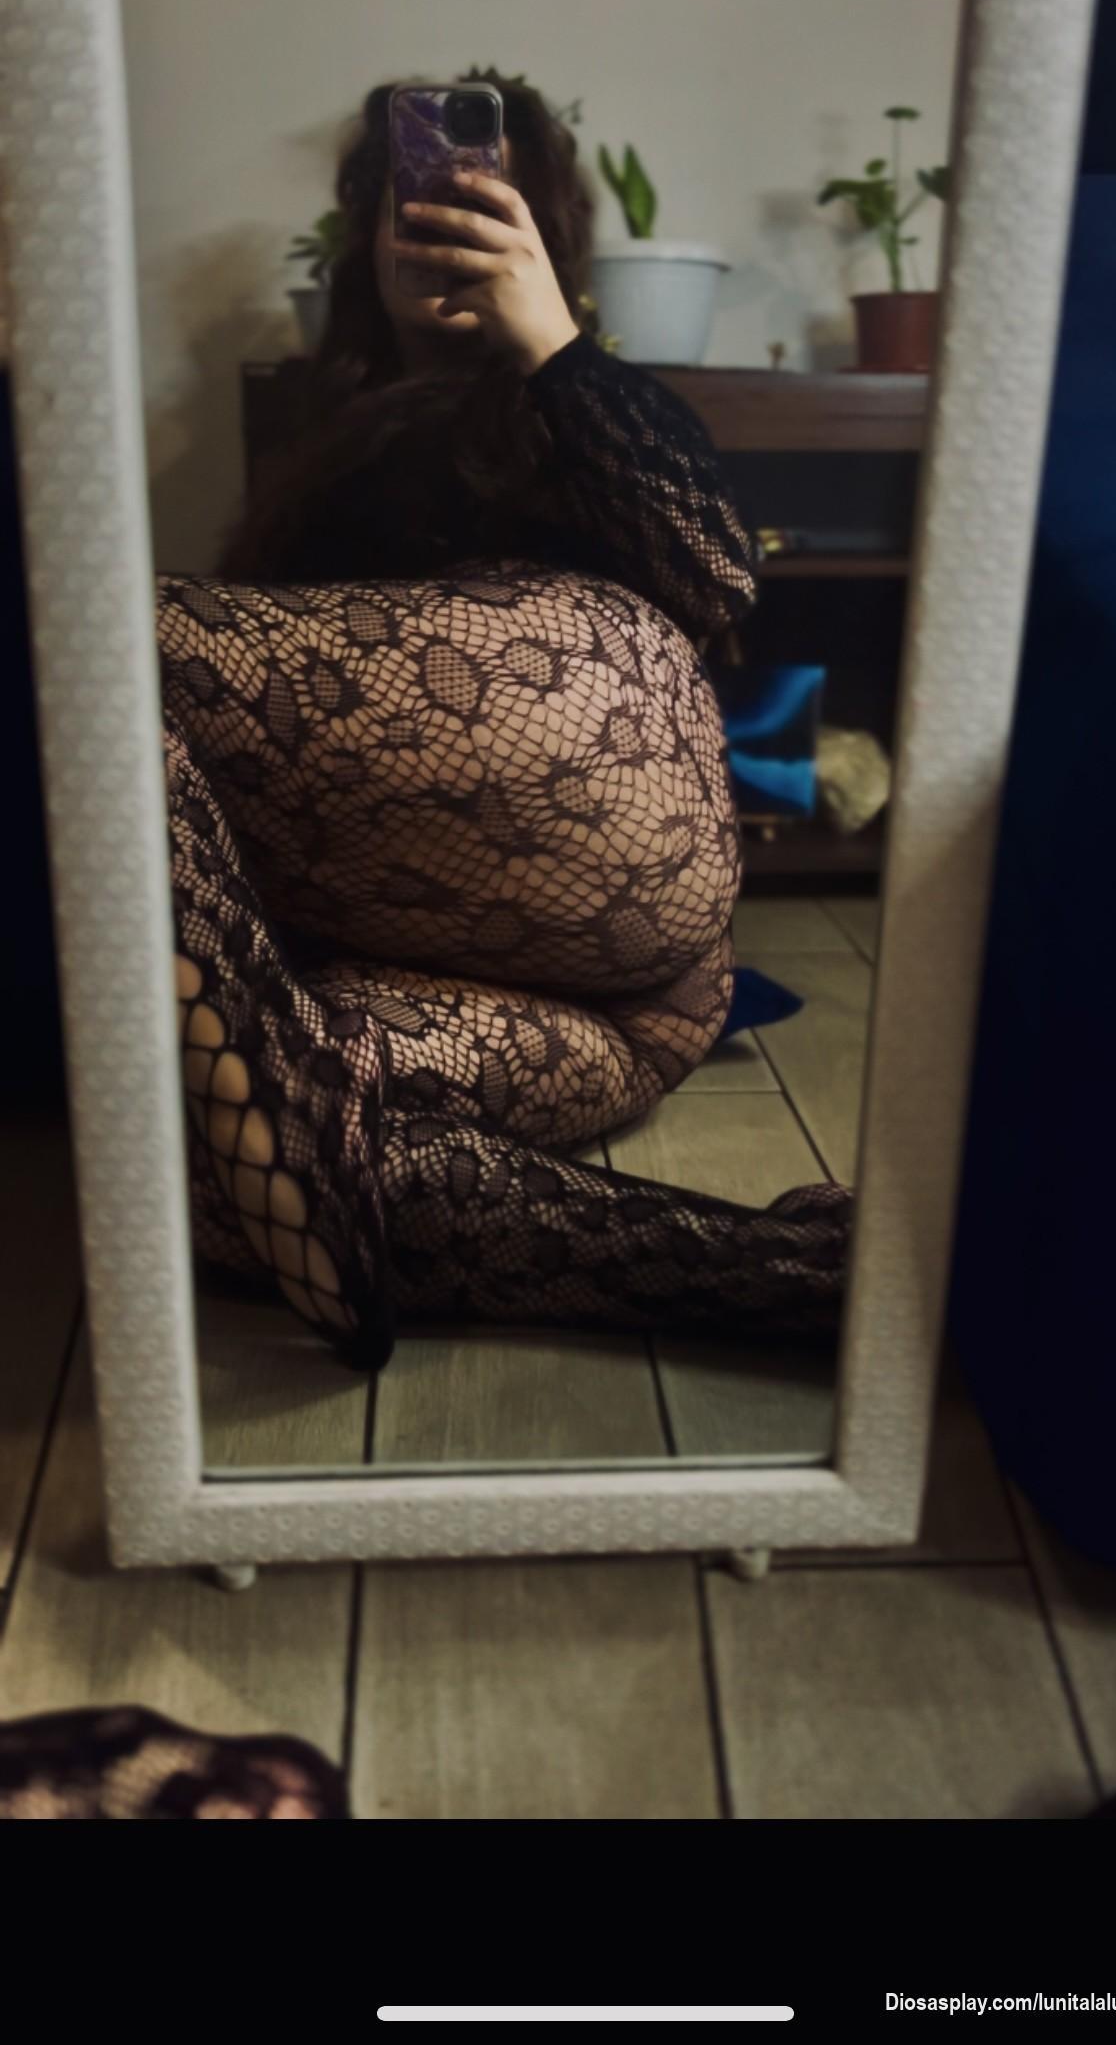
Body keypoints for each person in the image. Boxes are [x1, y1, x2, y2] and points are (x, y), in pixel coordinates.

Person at [160, 75, 849, 1369]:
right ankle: (792, 1278)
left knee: (91, 654)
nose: (443, 226)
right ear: (368, 236)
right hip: (530, 1019)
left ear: (545, 230)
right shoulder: (320, 437)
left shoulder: (596, 401)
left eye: (488, 199)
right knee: (225, 1164)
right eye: (410, 204)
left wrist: (555, 349)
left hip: (627, 906)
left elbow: (719, 580)